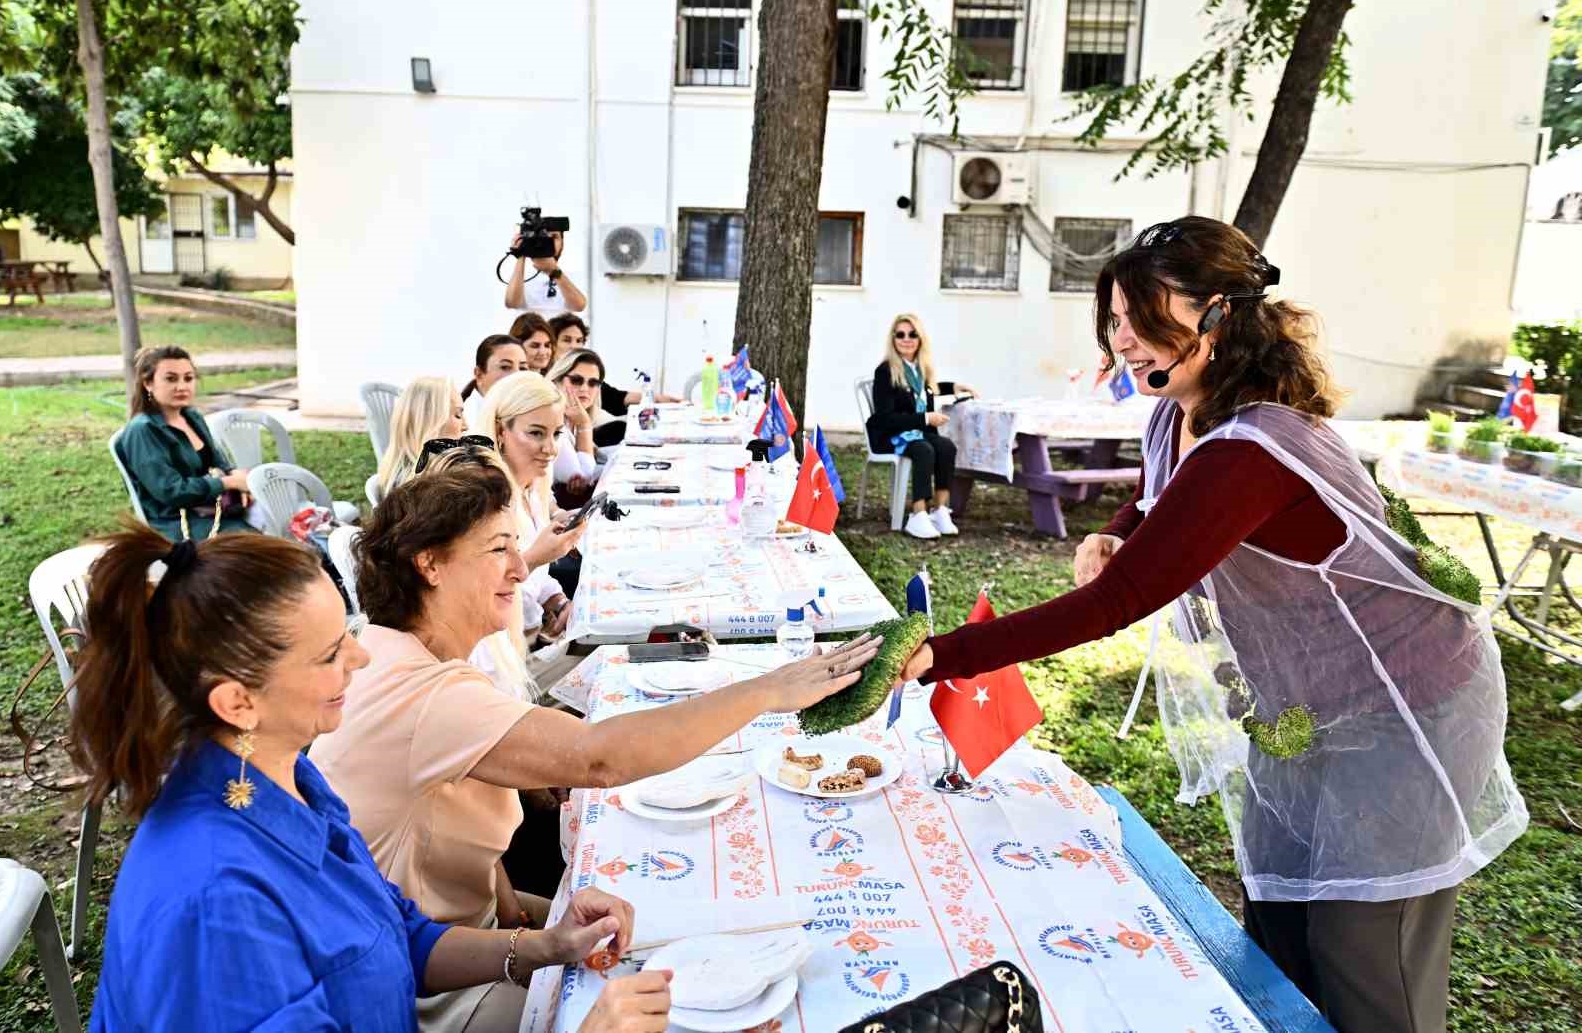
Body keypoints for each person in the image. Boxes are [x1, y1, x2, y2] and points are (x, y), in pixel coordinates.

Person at [899, 217, 1528, 1033]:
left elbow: (1112, 607)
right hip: (1303, 707)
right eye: (1116, 321)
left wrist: (939, 655)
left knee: (1368, 953)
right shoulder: (1174, 411)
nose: (1124, 341)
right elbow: (1162, 498)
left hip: (1407, 706)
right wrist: (1120, 528)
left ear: (1219, 316)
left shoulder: (1254, 448)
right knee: (1277, 916)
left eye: (1144, 320)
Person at [307, 465, 880, 1029]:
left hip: (455, 935)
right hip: (423, 986)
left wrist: (519, 921)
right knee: (687, 990)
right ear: (430, 564)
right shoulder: (424, 689)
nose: (520, 568)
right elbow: (599, 759)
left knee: (694, 923)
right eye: (498, 550)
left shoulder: (398, 652)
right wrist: (767, 691)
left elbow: (445, 817)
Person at [69, 524, 656, 1032]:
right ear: (238, 704)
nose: (361, 658)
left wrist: (544, 947)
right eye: (329, 654)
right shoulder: (218, 906)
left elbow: (396, 934)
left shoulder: (280, 775)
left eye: (347, 635)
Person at [472, 372, 587, 646]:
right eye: (536, 433)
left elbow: (537, 580)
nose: (551, 448)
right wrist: (537, 556)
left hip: (534, 636)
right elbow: (477, 593)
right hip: (503, 653)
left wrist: (556, 600)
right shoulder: (482, 499)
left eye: (556, 433)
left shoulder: (531, 487)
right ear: (500, 431)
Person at [114, 345, 254, 541]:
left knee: (288, 518)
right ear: (148, 383)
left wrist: (237, 477)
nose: (182, 386)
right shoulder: (143, 430)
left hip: (214, 506)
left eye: (188, 378)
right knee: (258, 547)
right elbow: (171, 491)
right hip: (177, 520)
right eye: (171, 379)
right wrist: (227, 482)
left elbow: (218, 460)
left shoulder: (192, 416)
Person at [866, 314, 977, 540]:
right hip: (890, 434)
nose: (906, 339)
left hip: (915, 431)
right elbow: (886, 418)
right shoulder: (885, 371)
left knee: (946, 447)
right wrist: (925, 419)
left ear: (920, 339)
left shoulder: (918, 369)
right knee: (923, 449)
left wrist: (954, 386)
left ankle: (940, 510)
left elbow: (928, 390)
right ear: (893, 339)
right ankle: (918, 514)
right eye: (900, 334)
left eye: (912, 334)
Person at [550, 313, 683, 414]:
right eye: (567, 340)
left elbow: (617, 398)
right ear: (552, 344)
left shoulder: (589, 371)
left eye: (579, 341)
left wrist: (660, 399)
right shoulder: (544, 382)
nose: (575, 346)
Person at [376, 376, 466, 496]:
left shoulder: (401, 475)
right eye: (458, 415)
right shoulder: (423, 488)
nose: (466, 426)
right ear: (430, 421)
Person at [546, 347, 607, 500]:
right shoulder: (552, 417)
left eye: (593, 383)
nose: (584, 388)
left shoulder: (573, 416)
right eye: (576, 380)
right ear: (557, 380)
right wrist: (584, 425)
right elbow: (582, 475)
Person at [504, 227, 587, 320]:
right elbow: (512, 303)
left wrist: (553, 271)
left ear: (562, 243)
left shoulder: (575, 276)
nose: (548, 242)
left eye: (554, 237)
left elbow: (579, 306)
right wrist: (521, 253)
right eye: (542, 237)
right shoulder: (521, 276)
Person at [462, 335, 527, 428]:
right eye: (505, 367)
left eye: (523, 368)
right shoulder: (465, 423)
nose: (517, 375)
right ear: (479, 374)